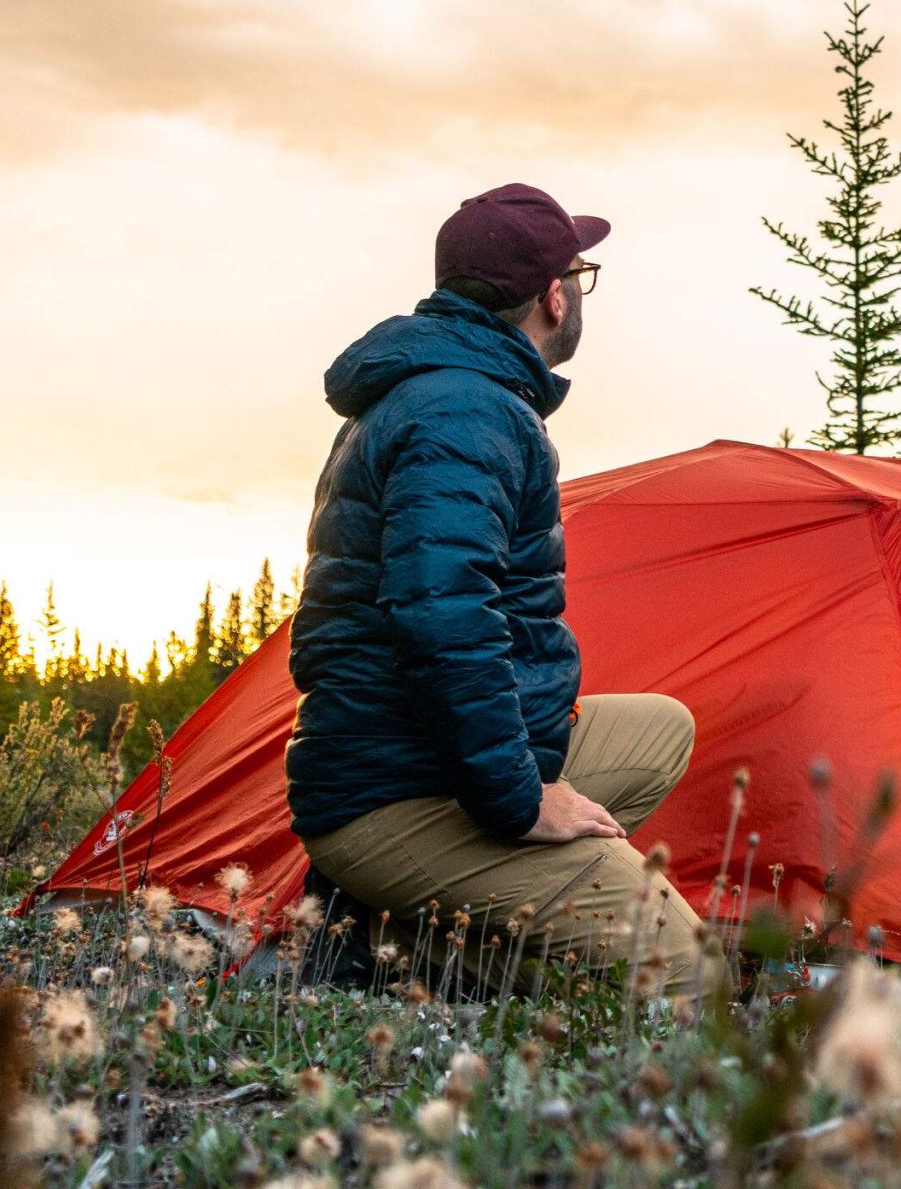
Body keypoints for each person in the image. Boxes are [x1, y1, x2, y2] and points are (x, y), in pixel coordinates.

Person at [284, 183, 706, 998]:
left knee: (663, 731)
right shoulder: (464, 411)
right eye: (577, 276)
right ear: (553, 296)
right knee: (687, 972)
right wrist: (520, 805)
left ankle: (397, 928)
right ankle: (400, 941)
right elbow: (441, 620)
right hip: (394, 790)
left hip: (421, 758)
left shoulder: (454, 392)